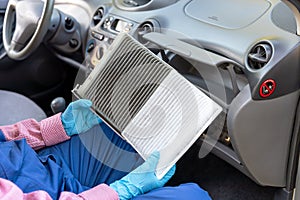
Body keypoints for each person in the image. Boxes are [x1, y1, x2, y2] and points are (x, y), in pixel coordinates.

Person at [0, 99, 211, 200]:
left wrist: (55, 128)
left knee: (130, 125)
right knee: (195, 197)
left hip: (36, 164)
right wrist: (120, 191)